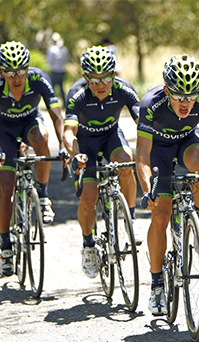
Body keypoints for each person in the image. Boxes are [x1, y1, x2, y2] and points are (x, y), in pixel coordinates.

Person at [136, 54, 199, 315]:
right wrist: (147, 189)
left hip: (187, 141)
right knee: (160, 215)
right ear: (166, 90)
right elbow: (141, 155)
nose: (185, 103)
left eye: (191, 96)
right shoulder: (152, 103)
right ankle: (157, 284)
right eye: (178, 96)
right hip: (157, 151)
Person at [0, 41, 66, 276]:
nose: (16, 77)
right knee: (6, 186)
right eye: (10, 73)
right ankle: (5, 244)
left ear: (27, 69)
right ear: (2, 73)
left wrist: (62, 146)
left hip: (30, 122)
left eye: (21, 71)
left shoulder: (39, 79)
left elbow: (56, 115)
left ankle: (42, 194)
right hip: (6, 131)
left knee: (41, 138)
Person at [63, 45, 141, 279]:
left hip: (110, 137)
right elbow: (68, 133)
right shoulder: (77, 93)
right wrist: (76, 154)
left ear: (113, 74)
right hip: (85, 143)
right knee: (88, 197)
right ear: (86, 77)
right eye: (94, 80)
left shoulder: (124, 89)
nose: (100, 84)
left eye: (106, 78)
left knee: (126, 163)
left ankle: (132, 218)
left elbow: (143, 125)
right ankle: (88, 245)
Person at [46, 32, 69, 106]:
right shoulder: (64, 49)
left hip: (54, 71)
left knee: (51, 89)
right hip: (62, 71)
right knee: (61, 88)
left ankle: (50, 103)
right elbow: (67, 60)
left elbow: (49, 61)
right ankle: (64, 104)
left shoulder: (51, 49)